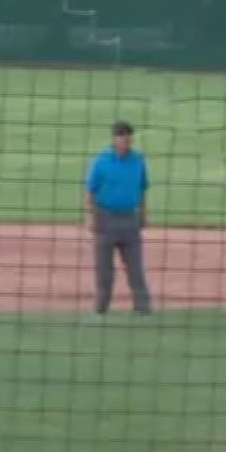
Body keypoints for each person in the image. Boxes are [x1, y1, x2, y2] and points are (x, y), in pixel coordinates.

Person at [86, 121, 154, 315]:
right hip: (105, 218)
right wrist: (91, 216)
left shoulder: (138, 161)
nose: (125, 139)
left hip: (129, 219)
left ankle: (143, 309)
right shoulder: (101, 161)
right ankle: (100, 309)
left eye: (128, 136)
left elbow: (142, 189)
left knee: (136, 268)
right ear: (114, 138)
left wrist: (143, 213)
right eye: (121, 135)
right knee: (104, 271)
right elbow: (90, 190)